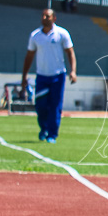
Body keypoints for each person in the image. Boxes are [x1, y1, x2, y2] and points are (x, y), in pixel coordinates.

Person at [22, 9, 77, 144]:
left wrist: (73, 71)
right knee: (40, 105)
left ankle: (52, 134)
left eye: (48, 16)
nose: (45, 17)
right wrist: (24, 76)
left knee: (55, 106)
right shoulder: (35, 36)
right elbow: (29, 56)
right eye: (43, 15)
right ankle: (44, 128)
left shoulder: (62, 34)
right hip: (41, 76)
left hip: (58, 76)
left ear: (54, 18)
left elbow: (70, 53)